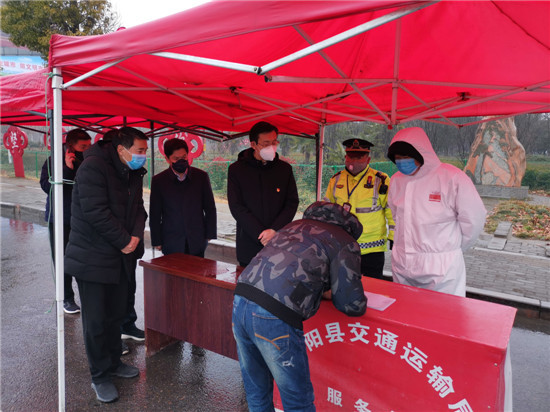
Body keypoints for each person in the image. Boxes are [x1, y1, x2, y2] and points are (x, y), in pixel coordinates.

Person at [232, 201, 367, 411]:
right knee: (297, 402)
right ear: (350, 227)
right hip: (274, 314)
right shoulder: (344, 241)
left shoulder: (294, 226)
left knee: (257, 392)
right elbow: (351, 304)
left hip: (241, 298)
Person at [64, 127, 148, 403]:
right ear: (121, 149)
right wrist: (124, 240)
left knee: (116, 314)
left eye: (145, 151)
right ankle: (99, 375)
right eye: (139, 151)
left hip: (121, 255)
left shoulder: (132, 171)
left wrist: (135, 237)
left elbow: (139, 208)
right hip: (93, 256)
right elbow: (95, 212)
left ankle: (113, 362)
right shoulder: (93, 167)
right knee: (97, 321)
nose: (143, 156)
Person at [386, 127, 486, 296]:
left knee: (443, 311)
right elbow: (396, 215)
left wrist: (452, 249)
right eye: (398, 158)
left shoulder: (451, 178)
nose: (402, 162)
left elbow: (474, 219)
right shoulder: (396, 180)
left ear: (421, 154)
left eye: (406, 157)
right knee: (406, 307)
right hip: (403, 262)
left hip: (441, 267)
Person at [227, 121, 299, 266]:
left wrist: (274, 230)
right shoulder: (237, 170)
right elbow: (236, 206)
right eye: (266, 144)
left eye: (274, 142)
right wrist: (260, 234)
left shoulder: (284, 169)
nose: (271, 147)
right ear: (253, 144)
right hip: (249, 241)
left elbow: (291, 202)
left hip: (278, 241)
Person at [324, 138, 394, 280]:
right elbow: (327, 210)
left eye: (359, 157)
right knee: (342, 285)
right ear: (345, 157)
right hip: (342, 246)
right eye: (350, 157)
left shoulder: (381, 180)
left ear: (368, 160)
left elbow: (391, 210)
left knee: (373, 288)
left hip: (372, 250)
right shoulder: (336, 179)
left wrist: (393, 236)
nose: (353, 161)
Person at [40, 128, 92, 314]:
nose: (86, 150)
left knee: (84, 259)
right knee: (62, 259)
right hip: (60, 218)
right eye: (83, 147)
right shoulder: (53, 161)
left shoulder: (89, 161)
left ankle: (88, 297)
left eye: (89, 146)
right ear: (70, 146)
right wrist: (67, 170)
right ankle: (66, 298)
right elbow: (47, 186)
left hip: (83, 218)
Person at [149, 138, 217, 257]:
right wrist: (156, 240)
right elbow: (155, 214)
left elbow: (210, 208)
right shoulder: (159, 181)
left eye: (184, 157)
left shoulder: (201, 177)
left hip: (196, 239)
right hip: (171, 240)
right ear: (167, 159)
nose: (181, 161)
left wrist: (209, 234)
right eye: (176, 159)